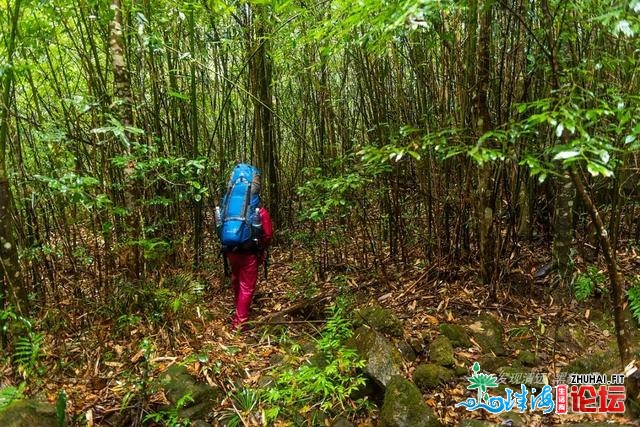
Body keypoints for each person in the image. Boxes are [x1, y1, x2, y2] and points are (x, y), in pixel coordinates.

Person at [226, 205, 273, 331]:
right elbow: (268, 234)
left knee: (237, 280)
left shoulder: (231, 210)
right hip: (248, 254)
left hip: (231, 251)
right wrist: (262, 247)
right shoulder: (260, 211)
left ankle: (239, 310)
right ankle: (240, 323)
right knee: (246, 286)